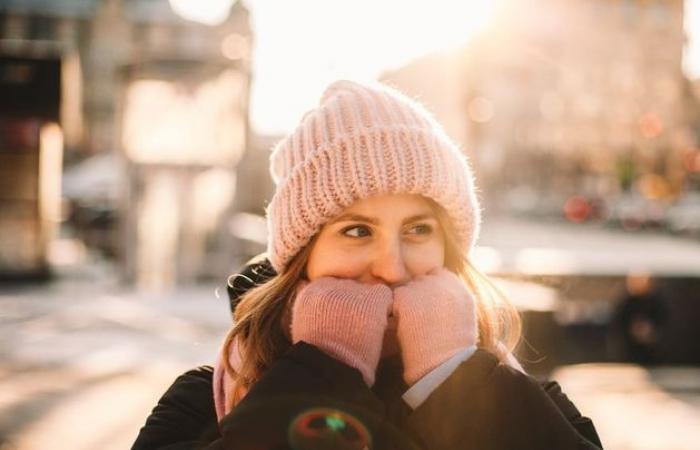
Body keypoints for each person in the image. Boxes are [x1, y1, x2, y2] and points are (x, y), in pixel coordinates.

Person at [132, 80, 603, 450]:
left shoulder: (530, 401)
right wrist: (321, 377)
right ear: (303, 256)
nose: (392, 268)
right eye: (357, 231)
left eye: (418, 230)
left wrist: (454, 380)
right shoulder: (202, 402)